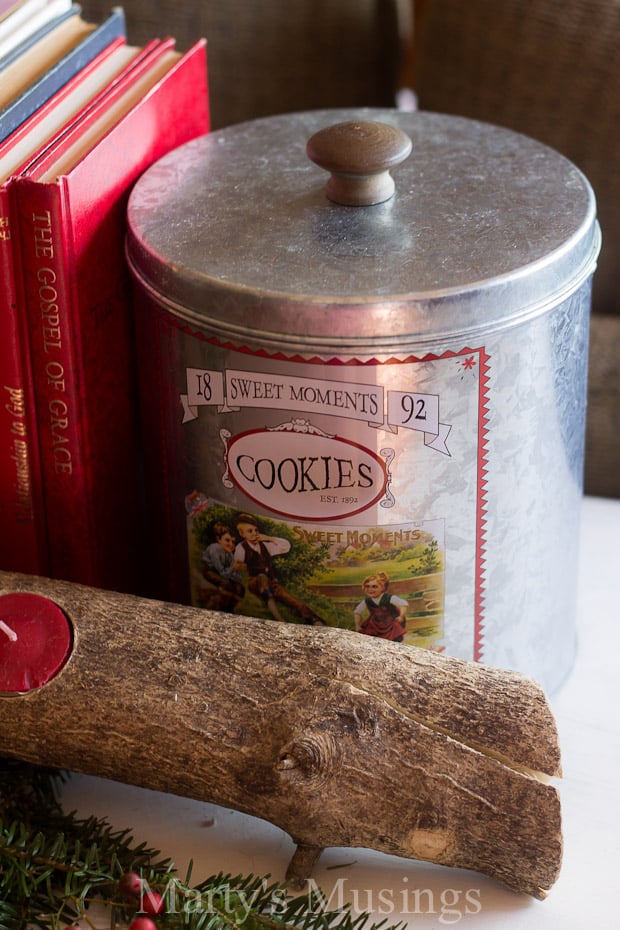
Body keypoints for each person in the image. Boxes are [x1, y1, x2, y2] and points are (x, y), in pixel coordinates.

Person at [233, 513, 325, 625]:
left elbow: (286, 546)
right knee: (262, 578)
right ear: (242, 533)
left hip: (272, 583)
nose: (254, 534)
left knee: (293, 601)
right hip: (255, 582)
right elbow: (236, 565)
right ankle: (278, 618)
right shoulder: (241, 548)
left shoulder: (266, 546)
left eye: (256, 530)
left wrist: (269, 538)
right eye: (250, 531)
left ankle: (314, 620)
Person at [200, 523, 245, 610]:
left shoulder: (229, 554)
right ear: (218, 539)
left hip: (223, 572)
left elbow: (237, 578)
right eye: (227, 540)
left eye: (233, 541)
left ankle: (229, 609)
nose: (231, 544)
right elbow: (222, 572)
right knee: (225, 583)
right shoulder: (215, 549)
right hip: (210, 571)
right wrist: (233, 568)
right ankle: (218, 606)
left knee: (240, 588)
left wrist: (237, 570)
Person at [353, 572, 408, 642]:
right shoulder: (367, 600)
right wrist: (357, 625)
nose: (370, 589)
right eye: (367, 586)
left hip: (389, 622)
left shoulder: (389, 598)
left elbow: (403, 604)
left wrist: (401, 616)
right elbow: (357, 612)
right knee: (370, 635)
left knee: (394, 635)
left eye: (374, 586)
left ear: (382, 588)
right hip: (375, 623)